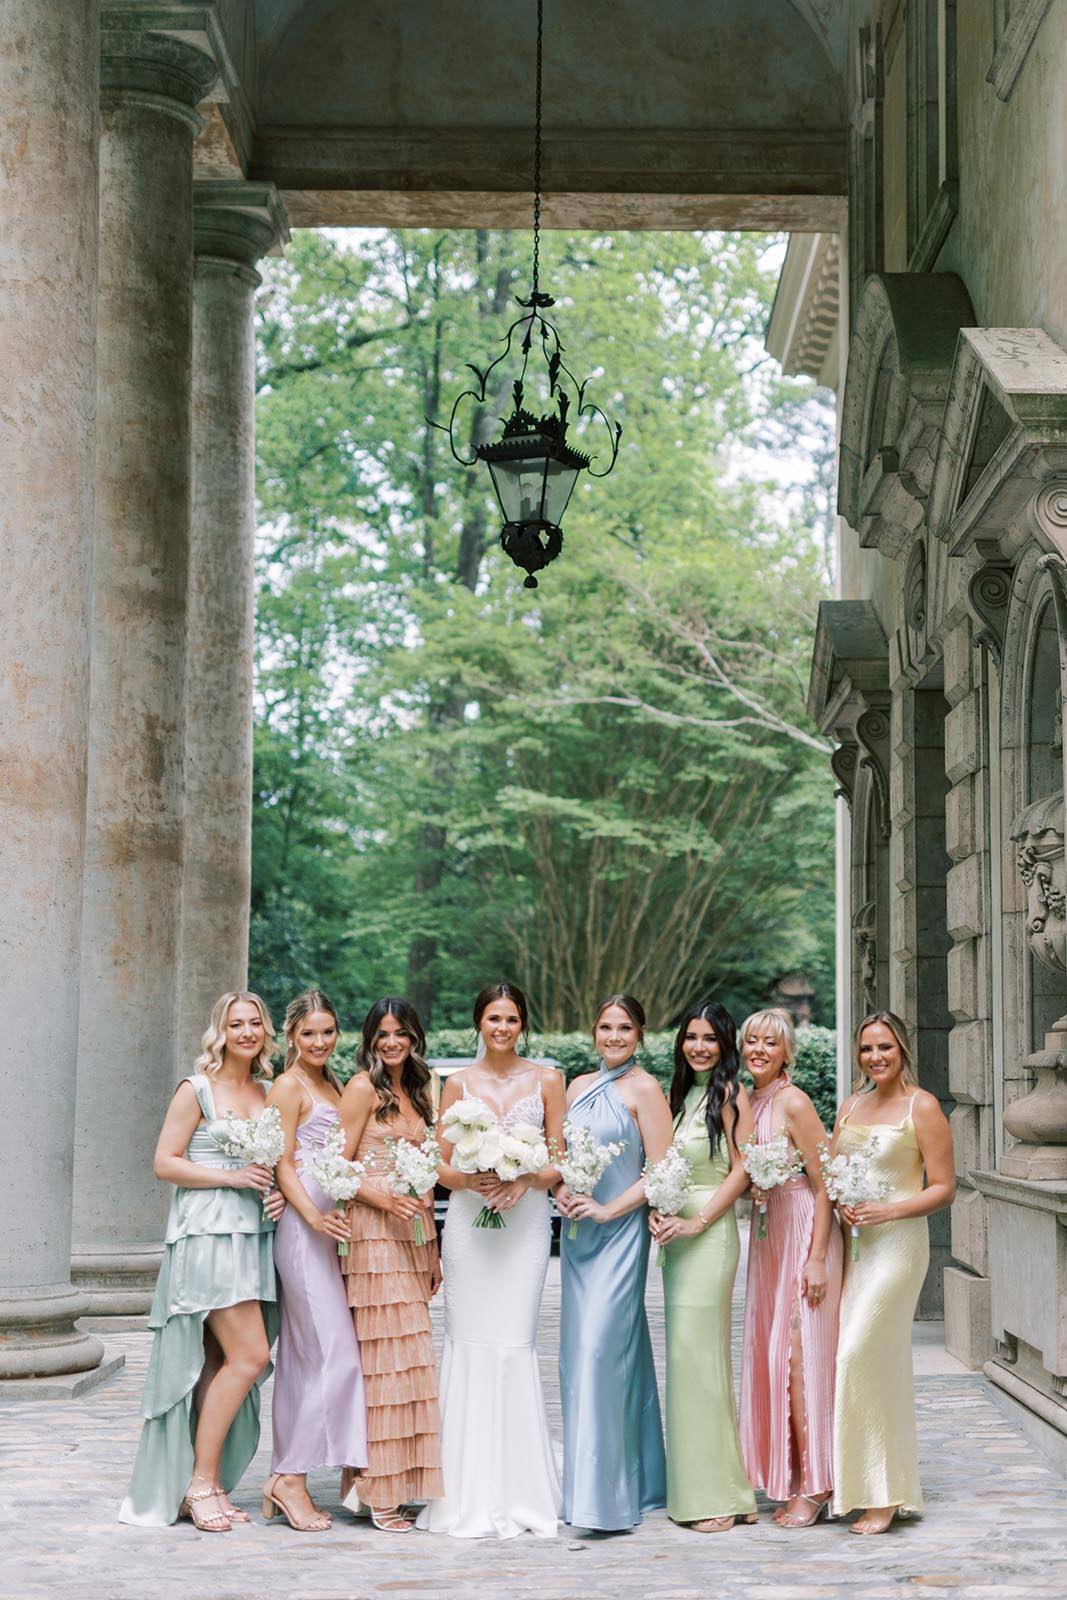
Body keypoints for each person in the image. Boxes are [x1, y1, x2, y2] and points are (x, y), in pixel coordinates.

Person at [119, 993, 284, 1530]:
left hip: (252, 1236)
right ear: (220, 1030)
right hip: (208, 1236)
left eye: (254, 1022)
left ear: (264, 1031)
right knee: (251, 1356)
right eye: (235, 1023)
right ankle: (200, 1481)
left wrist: (274, 1194)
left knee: (216, 1362)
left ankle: (200, 1482)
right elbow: (164, 1163)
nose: (246, 1031)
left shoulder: (264, 1091)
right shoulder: (198, 1089)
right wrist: (231, 1177)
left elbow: (272, 1166)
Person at [419, 982, 566, 1539]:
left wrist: (525, 1178)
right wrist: (476, 1181)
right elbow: (440, 1165)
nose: (502, 1028)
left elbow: (559, 1161)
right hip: (470, 1225)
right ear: (478, 1022)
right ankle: (463, 1487)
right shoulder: (456, 1082)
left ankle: (522, 1487)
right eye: (493, 1018)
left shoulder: (547, 1079)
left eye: (511, 1019)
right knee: (469, 1340)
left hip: (524, 1224)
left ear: (522, 1023)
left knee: (513, 1341)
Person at [831, 1010, 955, 1534]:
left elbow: (943, 1186)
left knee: (858, 1352)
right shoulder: (851, 1105)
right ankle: (868, 1485)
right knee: (869, 1361)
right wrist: (842, 1207)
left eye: (885, 1047)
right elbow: (837, 1175)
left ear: (902, 1049)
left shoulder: (920, 1106)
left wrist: (891, 1210)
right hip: (858, 1247)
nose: (875, 1057)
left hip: (899, 1247)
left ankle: (882, 1494)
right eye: (866, 1049)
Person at [555, 993, 670, 1531]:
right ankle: (626, 1479)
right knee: (582, 1357)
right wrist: (563, 1190)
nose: (615, 1036)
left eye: (625, 1028)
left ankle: (606, 1500)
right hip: (579, 1236)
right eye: (606, 1027)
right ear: (594, 1031)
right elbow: (562, 1160)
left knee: (603, 1350)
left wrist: (607, 1210)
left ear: (640, 1034)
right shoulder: (577, 1087)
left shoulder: (645, 1089)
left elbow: (661, 1173)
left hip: (620, 1233)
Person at [263, 990, 367, 1531]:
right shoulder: (289, 1085)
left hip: (332, 1233)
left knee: (307, 1363)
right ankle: (289, 1479)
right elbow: (282, 1163)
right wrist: (311, 1217)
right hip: (303, 1236)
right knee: (336, 1356)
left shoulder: (335, 1084)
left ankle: (299, 1472)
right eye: (309, 1034)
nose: (320, 1042)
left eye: (328, 1032)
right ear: (292, 1037)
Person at [652, 999, 757, 1533]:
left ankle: (720, 1494)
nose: (699, 1047)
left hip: (710, 1235)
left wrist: (698, 1222)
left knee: (702, 1360)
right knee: (685, 1361)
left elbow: (743, 1171)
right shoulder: (677, 1095)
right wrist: (658, 1209)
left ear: (725, 1045)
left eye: (710, 1038)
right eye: (691, 1037)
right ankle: (700, 1488)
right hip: (675, 1239)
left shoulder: (733, 1095)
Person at [339, 997, 444, 1533]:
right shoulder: (361, 1088)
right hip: (373, 1237)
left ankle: (400, 1483)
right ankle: (375, 1490)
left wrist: (432, 1248)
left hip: (412, 1234)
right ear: (370, 1038)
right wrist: (382, 1200)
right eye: (382, 1034)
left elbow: (425, 1179)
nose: (392, 1042)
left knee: (411, 1361)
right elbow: (334, 1168)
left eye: (401, 1032)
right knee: (383, 1361)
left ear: (414, 1037)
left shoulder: (421, 1091)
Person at [737, 1007, 843, 1527]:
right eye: (752, 1040)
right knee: (773, 1357)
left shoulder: (795, 1102)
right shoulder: (745, 1099)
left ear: (786, 1052)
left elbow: (827, 1185)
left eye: (769, 1043)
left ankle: (818, 1482)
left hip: (803, 1227)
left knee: (802, 1361)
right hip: (767, 1234)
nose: (758, 1050)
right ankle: (789, 1473)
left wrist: (818, 1256)